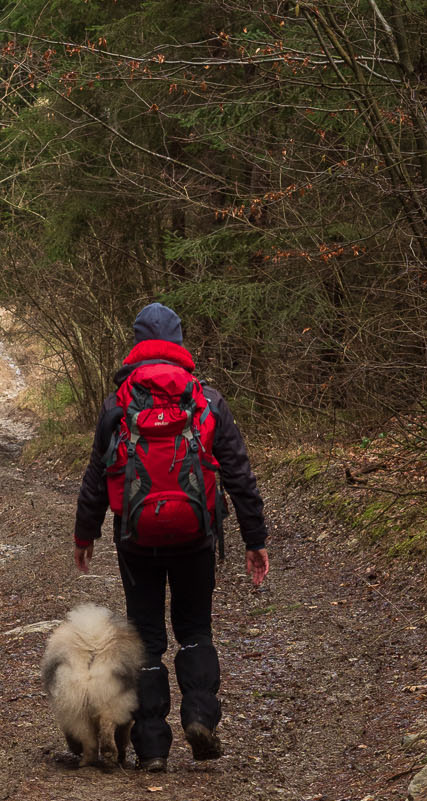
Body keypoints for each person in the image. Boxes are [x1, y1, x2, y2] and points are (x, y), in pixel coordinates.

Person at [73, 301, 269, 773]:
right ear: (179, 343)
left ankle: (153, 748)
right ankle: (200, 717)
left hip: (135, 538)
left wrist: (86, 532)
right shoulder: (205, 400)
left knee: (145, 637)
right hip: (196, 536)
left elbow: (98, 475)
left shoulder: (118, 402)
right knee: (195, 630)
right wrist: (253, 538)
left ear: (137, 343)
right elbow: (240, 475)